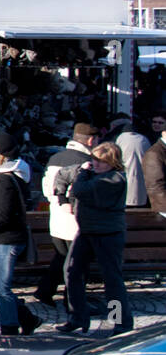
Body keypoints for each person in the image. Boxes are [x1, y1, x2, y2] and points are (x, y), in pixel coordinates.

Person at [55, 142, 134, 334]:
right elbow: (62, 175)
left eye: (101, 162)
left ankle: (121, 322)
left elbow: (80, 190)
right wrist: (61, 198)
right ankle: (77, 317)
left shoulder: (115, 179)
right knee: (71, 272)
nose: (96, 164)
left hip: (108, 234)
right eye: (95, 160)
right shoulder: (90, 173)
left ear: (112, 162)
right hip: (87, 231)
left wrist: (81, 173)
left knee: (112, 279)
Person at [0, 132, 42, 336]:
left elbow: (2, 214)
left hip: (4, 239)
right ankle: (26, 317)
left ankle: (10, 329)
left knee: (1, 287)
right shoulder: (3, 175)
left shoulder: (5, 179)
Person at [36, 123, 96, 307]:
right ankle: (73, 302)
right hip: (76, 221)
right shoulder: (87, 161)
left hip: (56, 219)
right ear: (91, 140)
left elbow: (47, 189)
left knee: (61, 257)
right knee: (77, 264)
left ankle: (45, 290)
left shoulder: (55, 157)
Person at [106, 114, 150, 207]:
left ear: (113, 125)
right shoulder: (144, 139)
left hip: (120, 187)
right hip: (143, 188)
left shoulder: (115, 139)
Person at [141, 109, 166, 211]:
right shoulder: (154, 151)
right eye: (154, 122)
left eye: (160, 123)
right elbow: (155, 185)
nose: (156, 125)